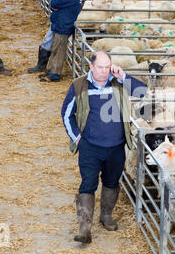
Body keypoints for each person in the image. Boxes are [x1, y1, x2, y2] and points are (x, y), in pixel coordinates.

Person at [61, 51, 147, 244]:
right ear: (91, 67)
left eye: (107, 67)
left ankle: (106, 216)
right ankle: (84, 228)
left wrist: (123, 76)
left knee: (111, 182)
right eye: (100, 67)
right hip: (90, 147)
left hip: (116, 146)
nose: (104, 71)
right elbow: (67, 114)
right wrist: (77, 138)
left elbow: (143, 92)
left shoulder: (118, 82)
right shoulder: (79, 85)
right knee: (88, 184)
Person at [41, 0, 83, 82]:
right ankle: (50, 70)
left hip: (64, 25)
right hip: (61, 23)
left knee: (59, 50)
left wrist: (55, 6)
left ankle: (54, 74)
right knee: (55, 47)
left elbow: (55, 2)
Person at [27, 0, 67, 74]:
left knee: (49, 42)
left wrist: (55, 5)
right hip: (56, 19)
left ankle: (44, 67)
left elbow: (58, 3)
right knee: (48, 41)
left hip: (60, 21)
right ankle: (42, 66)